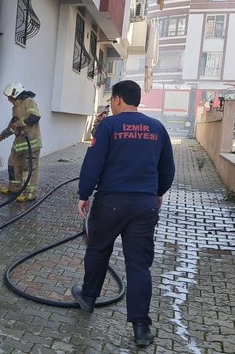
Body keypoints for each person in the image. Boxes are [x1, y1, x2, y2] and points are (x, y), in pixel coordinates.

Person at [71, 80, 175, 347]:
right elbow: (168, 169)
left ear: (117, 99)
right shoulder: (157, 128)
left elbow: (92, 163)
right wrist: (158, 191)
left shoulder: (108, 126)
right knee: (139, 265)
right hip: (144, 206)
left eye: (111, 101)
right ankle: (141, 328)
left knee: (98, 250)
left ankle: (89, 297)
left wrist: (84, 195)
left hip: (110, 203)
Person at [0, 82, 41, 202]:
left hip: (31, 144)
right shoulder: (15, 107)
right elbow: (13, 126)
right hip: (19, 144)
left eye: (10, 97)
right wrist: (3, 135)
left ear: (16, 94)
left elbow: (34, 117)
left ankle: (30, 194)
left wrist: (19, 123)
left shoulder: (29, 102)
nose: (8, 99)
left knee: (30, 169)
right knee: (13, 164)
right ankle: (14, 188)